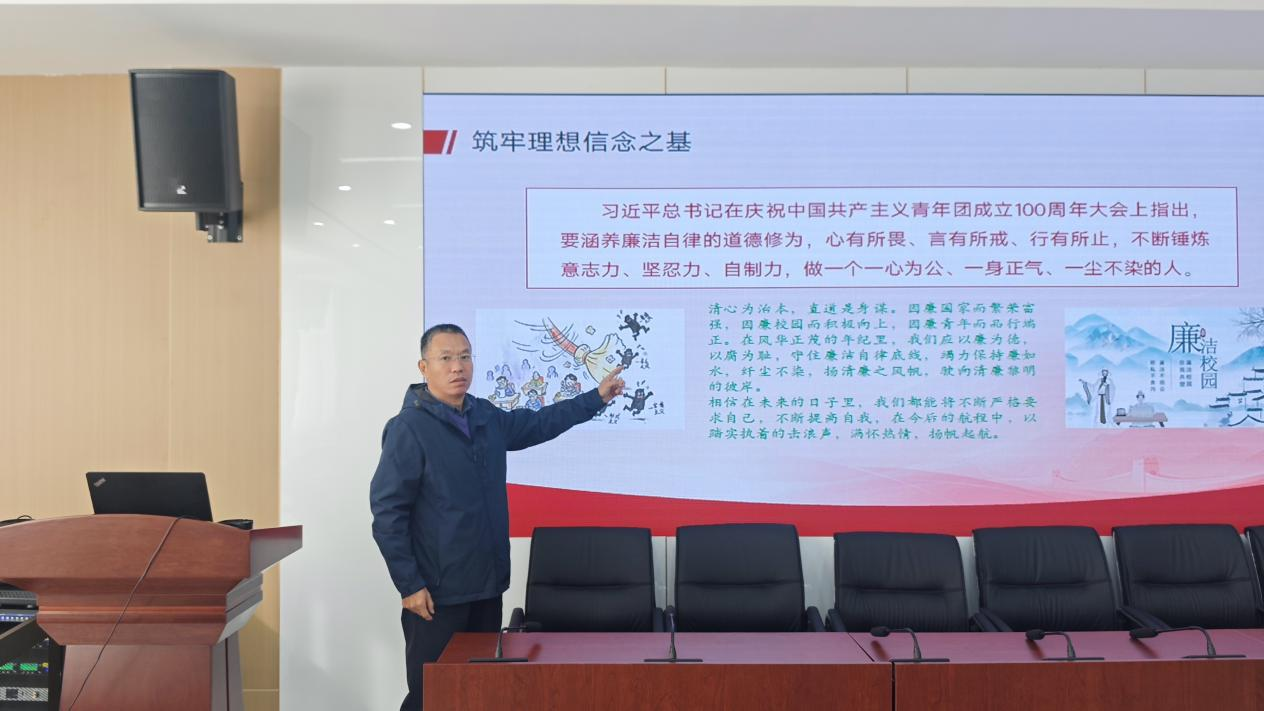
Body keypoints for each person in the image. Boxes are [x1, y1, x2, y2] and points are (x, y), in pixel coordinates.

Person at [369, 324, 624, 711]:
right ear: (424, 367)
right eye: (446, 358)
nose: (458, 367)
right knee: (431, 696)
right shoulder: (409, 429)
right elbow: (388, 514)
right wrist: (410, 584)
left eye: (465, 356)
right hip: (436, 594)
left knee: (480, 692)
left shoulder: (483, 416)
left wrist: (596, 398)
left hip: (486, 586)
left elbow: (538, 423)